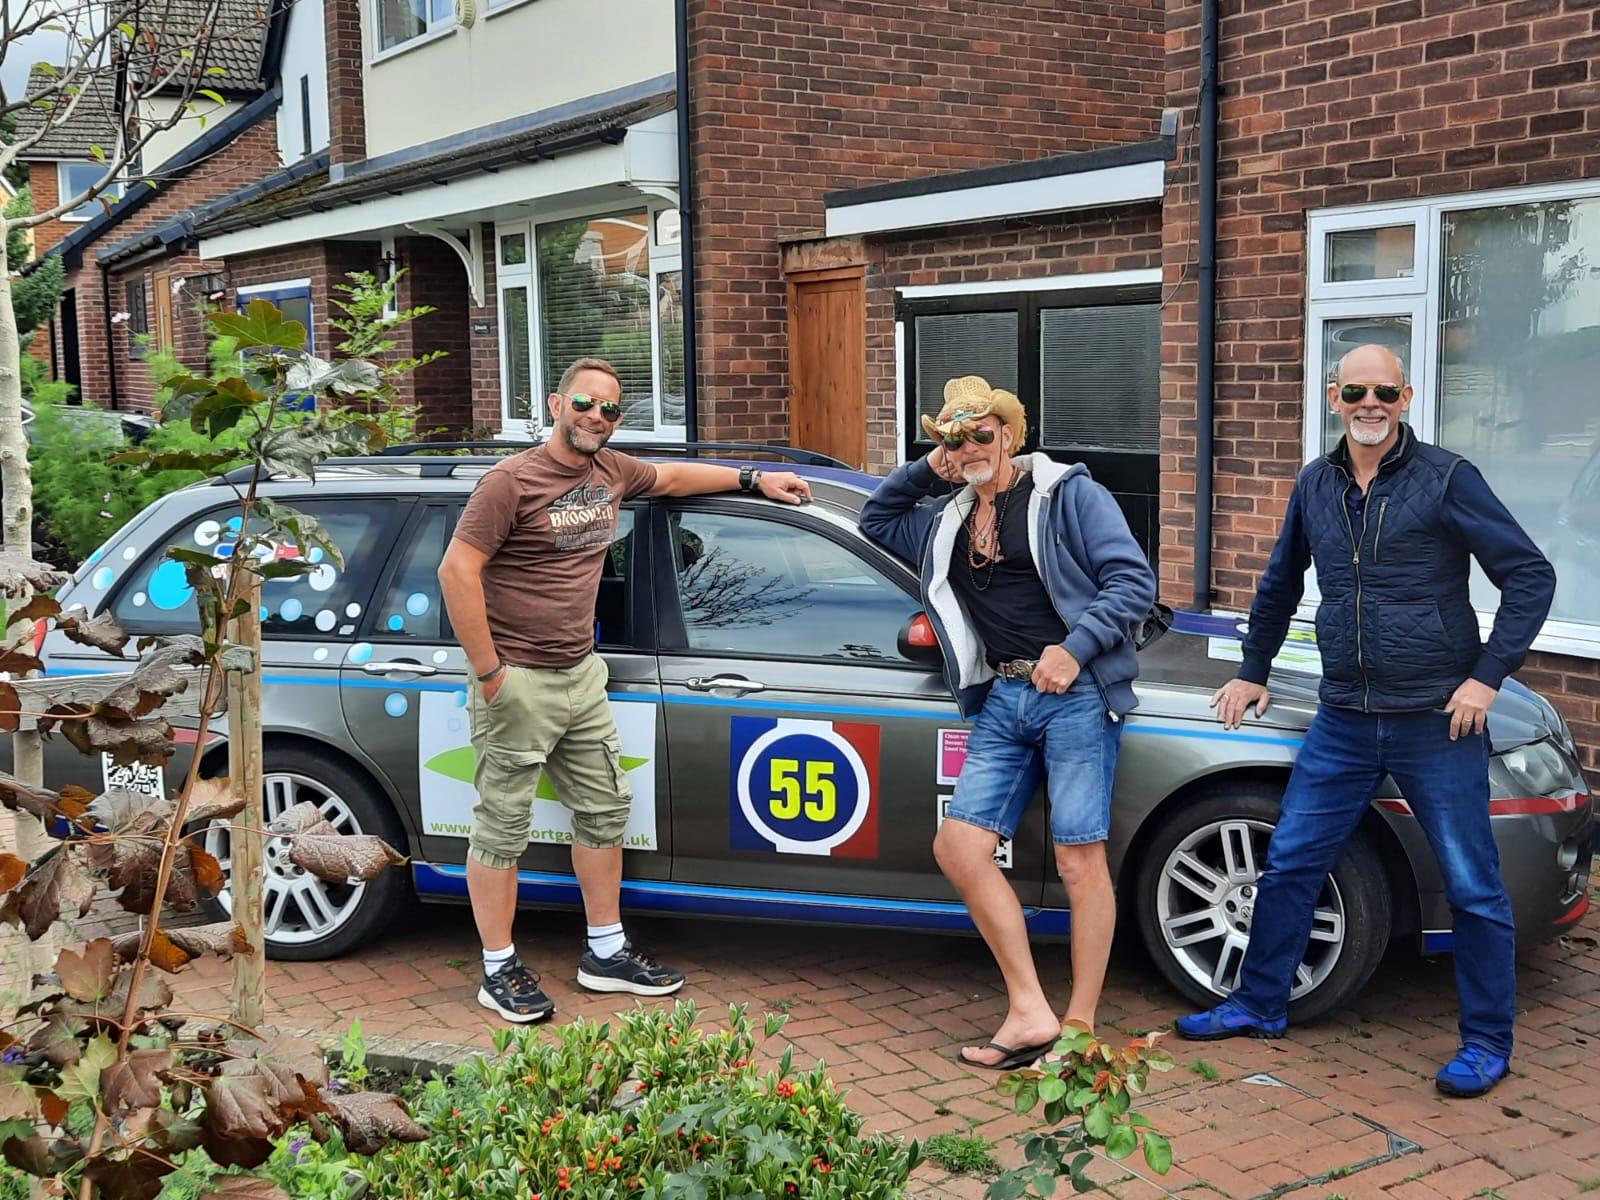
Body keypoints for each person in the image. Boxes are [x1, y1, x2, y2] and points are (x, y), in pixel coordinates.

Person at [1176, 344, 1556, 1099]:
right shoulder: (1316, 484)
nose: (1369, 403)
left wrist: (1485, 679)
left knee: (1474, 885)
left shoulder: (1447, 479)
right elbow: (1281, 581)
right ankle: (1258, 1002)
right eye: (1356, 391)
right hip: (1344, 715)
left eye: (1384, 390)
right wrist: (1252, 669)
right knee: (1289, 863)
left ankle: (1486, 1041)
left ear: (1406, 396)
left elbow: (1529, 577)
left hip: (1434, 721)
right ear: (1334, 396)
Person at [438, 357, 812, 1023]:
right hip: (518, 678)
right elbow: (457, 570)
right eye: (585, 403)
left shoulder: (611, 472)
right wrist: (492, 673)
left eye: (611, 410)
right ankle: (497, 967)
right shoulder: (511, 482)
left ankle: (604, 951)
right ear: (556, 403)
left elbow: (670, 476)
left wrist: (754, 477)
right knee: (501, 830)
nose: (597, 417)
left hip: (582, 675)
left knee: (605, 810)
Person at [861, 376, 1157, 1069]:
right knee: (959, 849)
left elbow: (1132, 583)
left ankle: (1080, 1027)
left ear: (1011, 434)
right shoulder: (948, 519)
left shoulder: (1070, 496)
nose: (972, 448)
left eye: (982, 433)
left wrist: (1074, 648)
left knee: (1078, 859)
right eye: (956, 438)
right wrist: (926, 467)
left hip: (1077, 695)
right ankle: (1030, 1011)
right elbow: (876, 521)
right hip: (1003, 698)